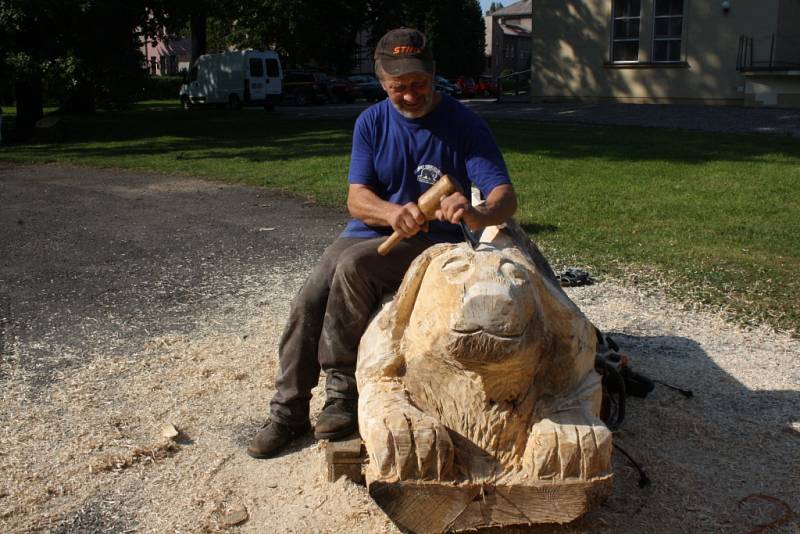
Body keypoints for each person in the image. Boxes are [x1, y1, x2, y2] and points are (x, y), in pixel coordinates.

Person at [247, 27, 518, 459]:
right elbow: (358, 198)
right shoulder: (371, 121)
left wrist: (475, 213)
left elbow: (505, 197)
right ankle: (288, 413)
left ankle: (342, 394)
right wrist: (392, 213)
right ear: (381, 82)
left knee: (355, 267)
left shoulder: (465, 125)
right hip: (372, 230)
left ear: (434, 76)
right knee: (307, 301)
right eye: (398, 88)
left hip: (435, 242)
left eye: (418, 85)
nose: (409, 96)